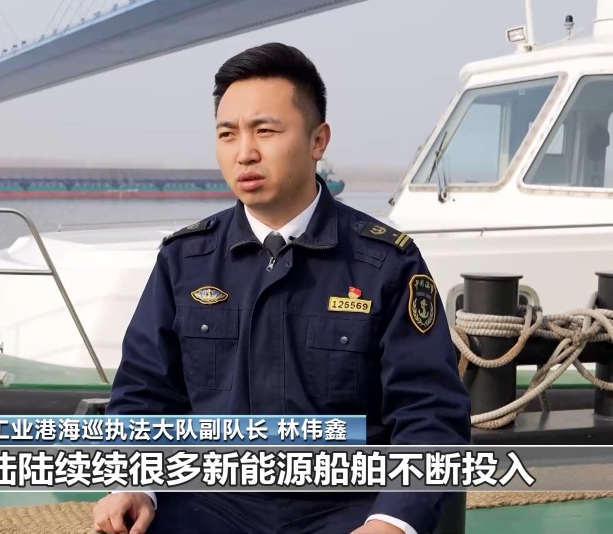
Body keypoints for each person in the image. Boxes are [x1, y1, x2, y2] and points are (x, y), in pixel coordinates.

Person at [91, 42, 472, 534]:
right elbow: (144, 394)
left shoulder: (386, 264)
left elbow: (430, 412)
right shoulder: (184, 261)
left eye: (265, 131)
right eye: (227, 134)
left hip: (347, 510)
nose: (244, 152)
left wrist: (392, 520)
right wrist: (133, 485)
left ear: (318, 141)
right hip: (210, 506)